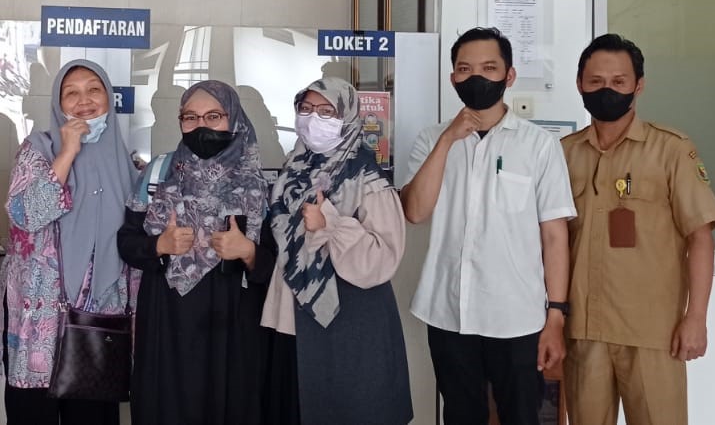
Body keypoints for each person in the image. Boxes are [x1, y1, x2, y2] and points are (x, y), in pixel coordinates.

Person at [399, 27, 574, 425]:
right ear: (453, 79)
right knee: (461, 415)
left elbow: (554, 236)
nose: (477, 77)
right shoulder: (431, 139)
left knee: (521, 416)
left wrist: (556, 315)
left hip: (517, 314)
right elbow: (415, 212)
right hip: (447, 310)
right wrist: (448, 140)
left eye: (489, 67)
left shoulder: (538, 145)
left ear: (509, 76)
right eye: (465, 69)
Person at [560, 34, 715, 425]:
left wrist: (696, 318)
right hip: (584, 330)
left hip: (653, 332)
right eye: (596, 81)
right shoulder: (563, 154)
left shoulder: (671, 149)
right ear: (580, 84)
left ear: (639, 86)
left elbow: (700, 237)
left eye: (618, 81)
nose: (607, 90)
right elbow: (551, 243)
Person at [0, 60, 140, 425]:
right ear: (58, 103)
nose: (84, 100)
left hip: (99, 322)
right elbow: (26, 215)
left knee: (93, 416)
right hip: (37, 325)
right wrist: (68, 152)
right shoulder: (37, 150)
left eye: (94, 90)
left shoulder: (128, 166)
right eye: (71, 93)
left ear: (109, 98)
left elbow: (135, 247)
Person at [117, 80, 273, 425]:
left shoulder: (256, 182)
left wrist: (247, 251)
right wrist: (159, 246)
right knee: (166, 406)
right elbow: (126, 241)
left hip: (232, 321)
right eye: (190, 117)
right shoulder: (159, 172)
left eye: (213, 116)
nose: (201, 126)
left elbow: (272, 265)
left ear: (234, 118)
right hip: (167, 317)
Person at [261, 77, 411, 425]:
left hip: (351, 317)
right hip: (293, 314)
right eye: (306, 109)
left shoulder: (366, 176)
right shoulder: (292, 168)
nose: (313, 119)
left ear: (348, 116)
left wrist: (332, 224)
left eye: (327, 112)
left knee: (348, 409)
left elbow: (384, 256)